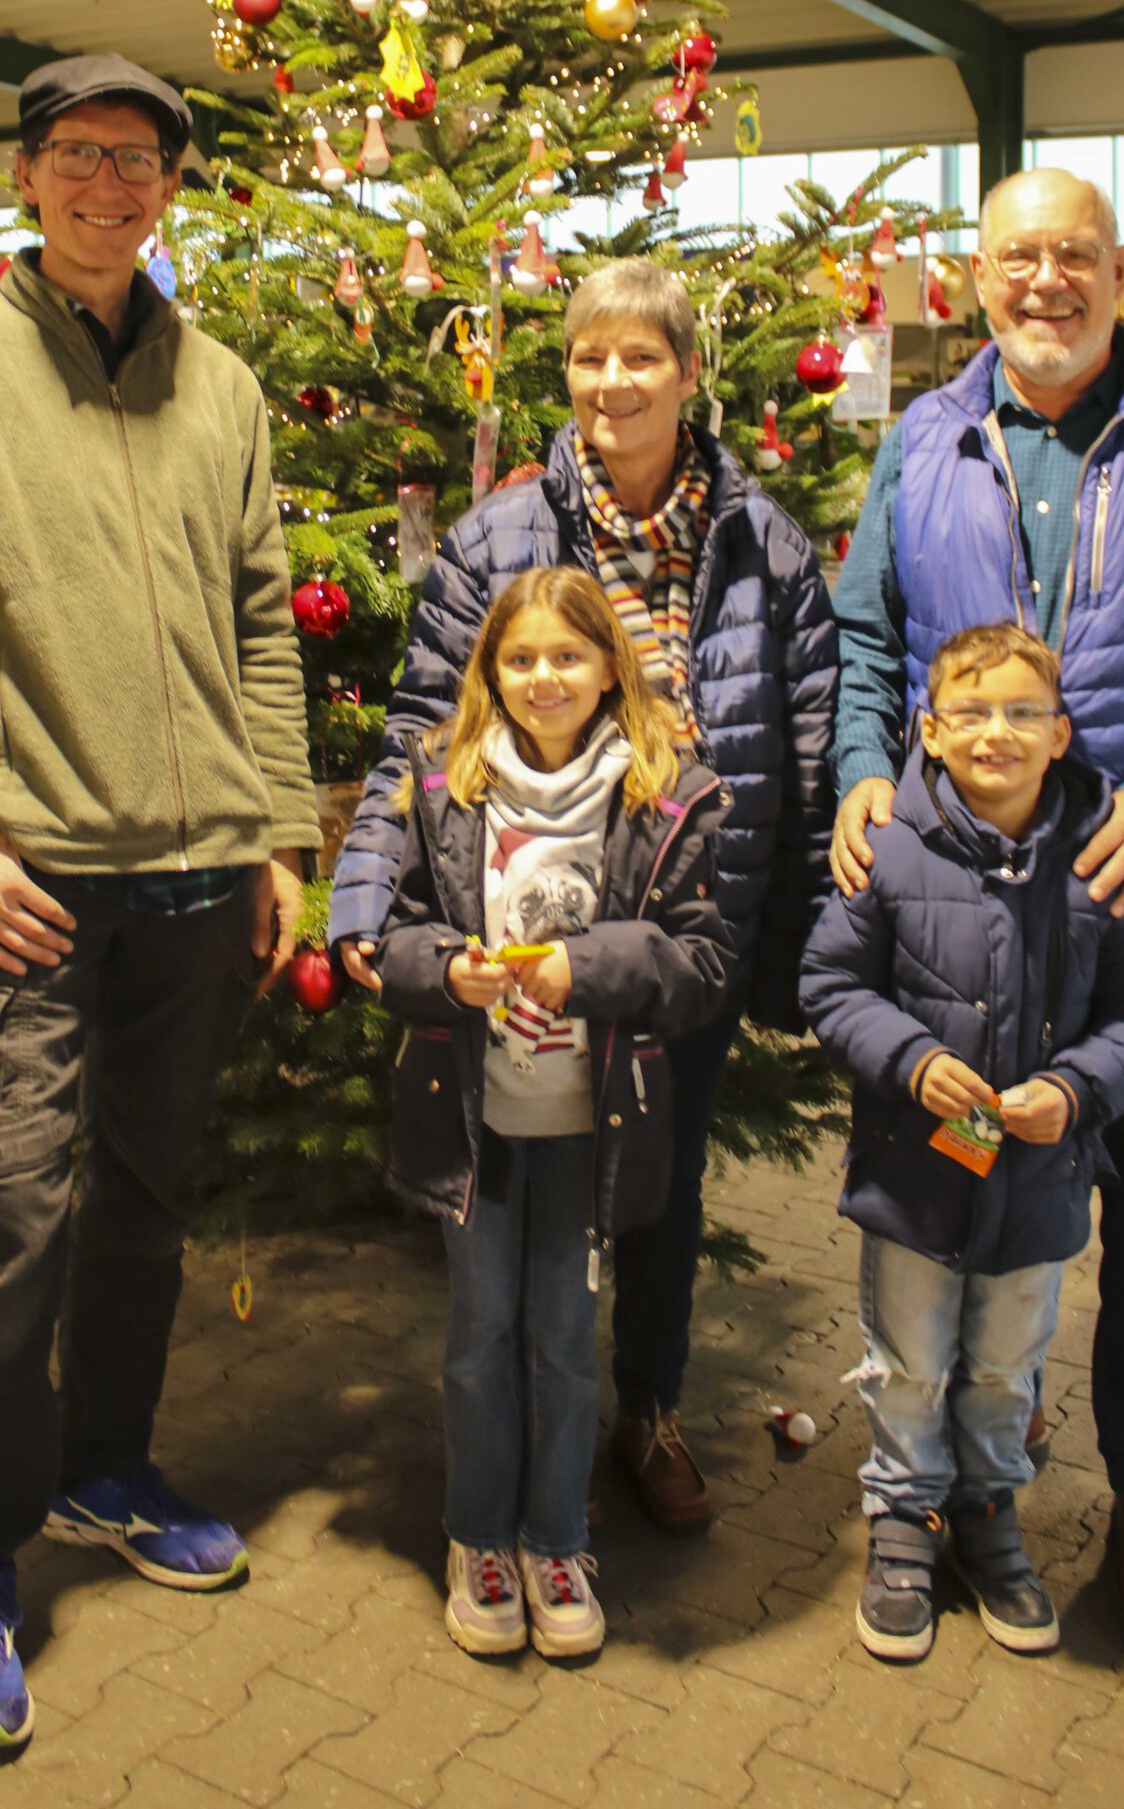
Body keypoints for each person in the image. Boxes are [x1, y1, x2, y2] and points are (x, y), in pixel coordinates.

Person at [0, 54, 323, 1756]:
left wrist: (273, 832)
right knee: (8, 1222)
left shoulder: (220, 385)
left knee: (144, 1205)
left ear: (171, 189)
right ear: (27, 174)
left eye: (139, 161)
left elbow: (261, 622)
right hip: (20, 884)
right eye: (80, 156)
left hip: (195, 879)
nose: (110, 186)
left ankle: (102, 1466)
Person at [830, 166, 1124, 1642]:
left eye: (1076, 255)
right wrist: (863, 769)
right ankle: (977, 1460)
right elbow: (865, 638)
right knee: (972, 1175)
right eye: (1019, 256)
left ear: (1120, 275)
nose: (1047, 280)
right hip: (953, 901)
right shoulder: (925, 440)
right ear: (977, 279)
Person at [331, 260, 835, 1528]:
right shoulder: (498, 536)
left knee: (662, 1181)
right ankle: (509, 1435)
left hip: (685, 921)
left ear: (689, 373)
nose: (614, 381)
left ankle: (647, 1409)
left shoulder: (763, 541)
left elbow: (815, 738)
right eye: (589, 357)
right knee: (511, 1185)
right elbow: (418, 730)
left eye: (641, 356)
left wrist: (816, 933)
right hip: (515, 915)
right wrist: (363, 898)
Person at [377, 567, 737, 1661]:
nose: (544, 678)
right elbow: (395, 936)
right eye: (521, 658)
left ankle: (554, 1537)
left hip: (588, 1123)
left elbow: (701, 962)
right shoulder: (443, 785)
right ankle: (480, 1534)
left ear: (609, 669)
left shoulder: (664, 796)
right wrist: (446, 971)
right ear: (489, 671)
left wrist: (588, 967)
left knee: (566, 1338)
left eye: (568, 656)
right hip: (477, 1124)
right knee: (480, 1334)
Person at [802, 624, 1124, 1663]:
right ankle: (903, 1514)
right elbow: (829, 984)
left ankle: (987, 1510)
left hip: (1040, 1182)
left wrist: (1076, 1088)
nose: (994, 733)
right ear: (929, 729)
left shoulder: (1101, 857)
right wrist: (911, 1060)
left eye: (1021, 713)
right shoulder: (889, 845)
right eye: (969, 712)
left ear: (1060, 732)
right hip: (915, 1179)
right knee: (908, 1361)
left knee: (1007, 1366)